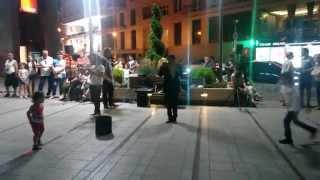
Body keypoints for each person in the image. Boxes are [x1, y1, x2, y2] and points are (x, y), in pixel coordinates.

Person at [279, 52, 318, 145]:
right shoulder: (286, 85)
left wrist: (289, 108)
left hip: (294, 107)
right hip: (294, 106)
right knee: (295, 121)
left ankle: (289, 139)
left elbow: (290, 99)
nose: (281, 79)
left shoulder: (288, 86)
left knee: (287, 121)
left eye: (282, 78)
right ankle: (312, 130)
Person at [158, 55, 183, 123]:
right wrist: (161, 67)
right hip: (171, 87)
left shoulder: (177, 66)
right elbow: (159, 74)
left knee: (172, 104)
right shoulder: (165, 66)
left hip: (172, 87)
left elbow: (181, 74)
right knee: (171, 104)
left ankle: (172, 118)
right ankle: (171, 118)